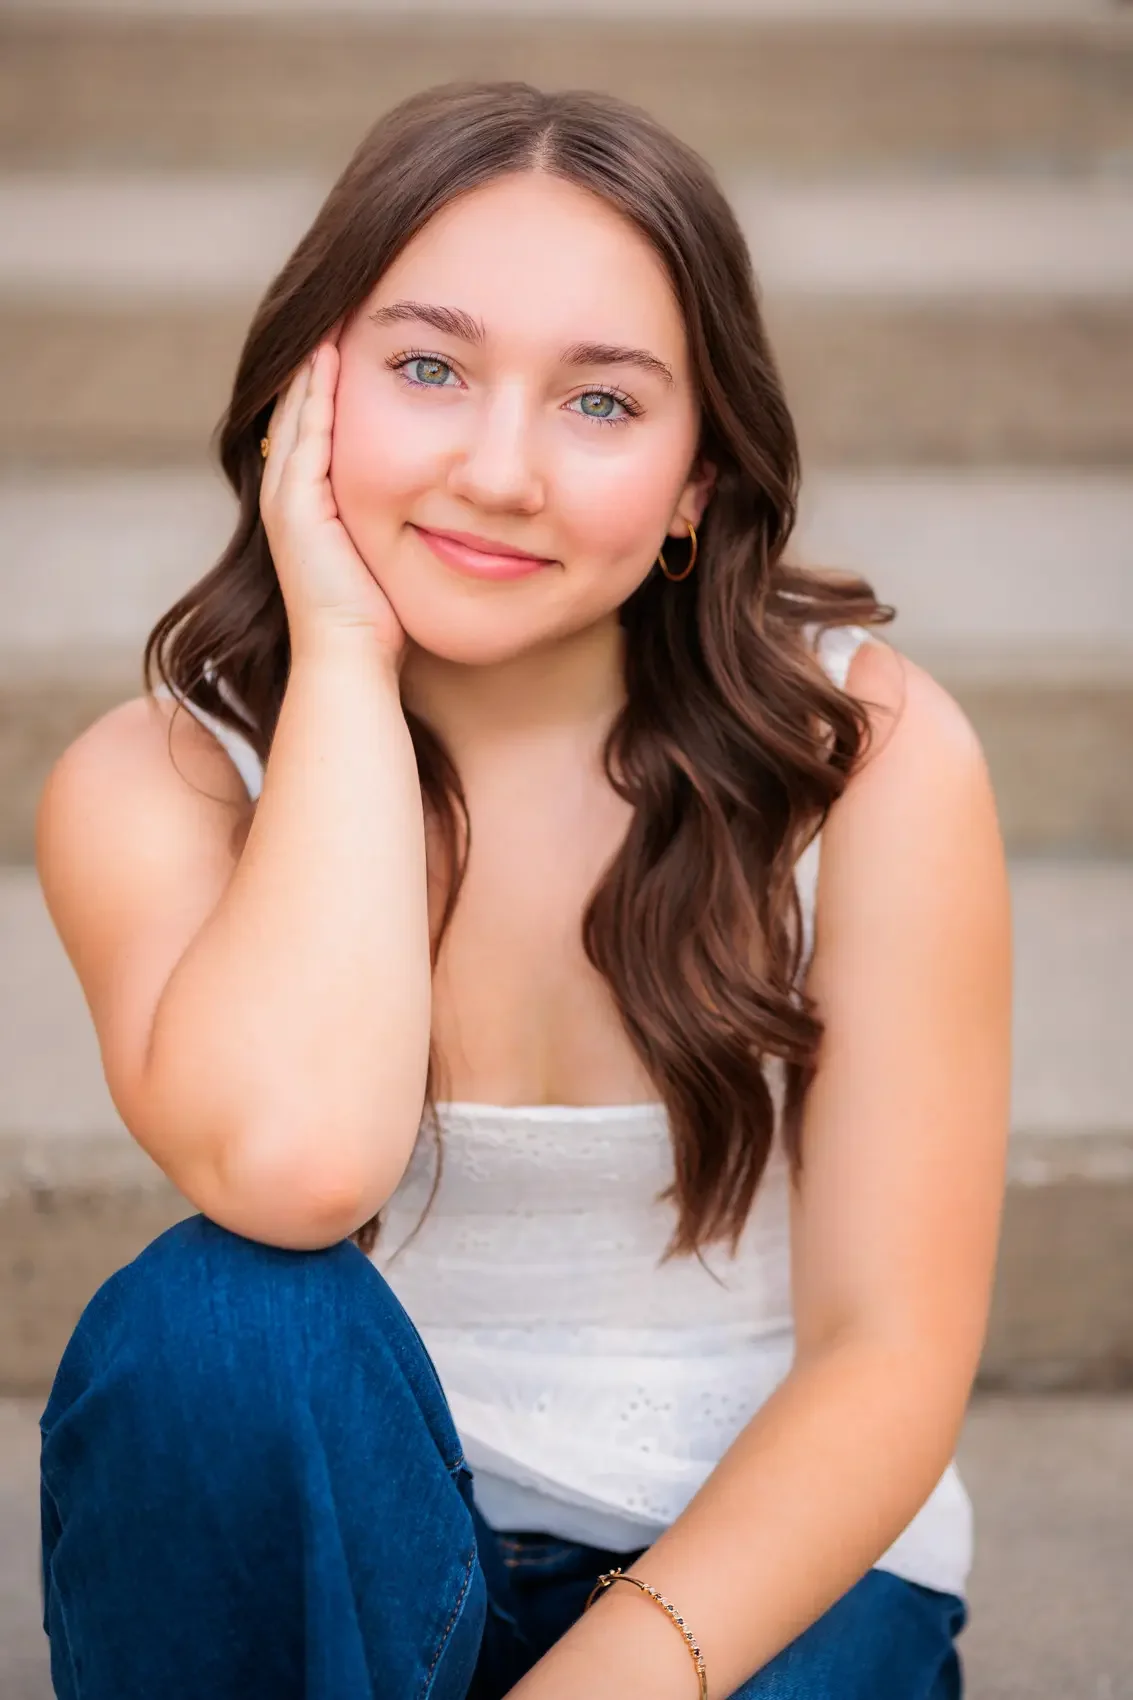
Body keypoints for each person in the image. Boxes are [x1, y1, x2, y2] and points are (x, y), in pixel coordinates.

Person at [33, 80, 1012, 1700]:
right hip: (361, 1543)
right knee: (209, 1321)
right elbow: (295, 1168)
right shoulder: (164, 788)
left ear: (701, 480)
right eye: (429, 369)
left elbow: (889, 1359)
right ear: (306, 398)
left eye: (604, 405)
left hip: (752, 1581)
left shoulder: (866, 754)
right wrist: (344, 654)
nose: (501, 471)